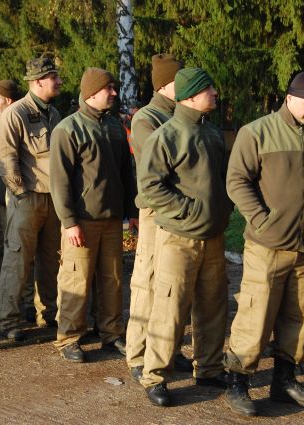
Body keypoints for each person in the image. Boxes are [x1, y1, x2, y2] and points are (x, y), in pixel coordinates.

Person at [223, 70, 304, 417]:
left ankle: (285, 380)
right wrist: (261, 219)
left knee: (300, 314)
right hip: (267, 246)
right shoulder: (257, 132)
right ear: (290, 99)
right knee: (256, 314)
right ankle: (238, 382)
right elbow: (236, 180)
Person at [137, 68, 232, 407]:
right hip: (178, 239)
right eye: (208, 88)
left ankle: (208, 368)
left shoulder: (214, 134)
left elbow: (223, 180)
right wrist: (188, 210)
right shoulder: (166, 136)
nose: (215, 93)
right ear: (190, 96)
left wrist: (223, 211)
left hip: (213, 237)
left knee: (213, 306)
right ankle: (155, 377)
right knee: (170, 308)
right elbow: (150, 187)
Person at [50, 67, 138, 362]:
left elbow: (126, 172)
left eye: (113, 87)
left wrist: (131, 211)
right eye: (107, 88)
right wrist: (69, 222)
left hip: (112, 219)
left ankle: (111, 333)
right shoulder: (68, 129)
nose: (113, 93)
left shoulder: (114, 126)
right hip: (81, 221)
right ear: (91, 93)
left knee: (112, 279)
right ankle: (69, 338)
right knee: (76, 279)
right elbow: (59, 181)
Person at [125, 53, 192, 383]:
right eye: (178, 80)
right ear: (165, 85)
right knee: (148, 282)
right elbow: (160, 164)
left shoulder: (182, 115)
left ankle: (169, 349)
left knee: (174, 286)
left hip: (180, 209)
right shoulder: (146, 119)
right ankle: (139, 354)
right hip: (155, 209)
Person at [0, 57, 63, 340]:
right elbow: (4, 159)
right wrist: (20, 194)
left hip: (53, 200)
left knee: (50, 261)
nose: (59, 82)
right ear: (38, 82)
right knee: (17, 261)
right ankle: (8, 321)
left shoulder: (54, 113)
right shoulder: (15, 113)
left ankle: (47, 314)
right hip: (27, 199)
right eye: (54, 77)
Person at [0, 79, 37, 321]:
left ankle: (27, 303)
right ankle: (1, 302)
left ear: (7, 99)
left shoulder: (19, 120)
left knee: (19, 254)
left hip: (13, 200)